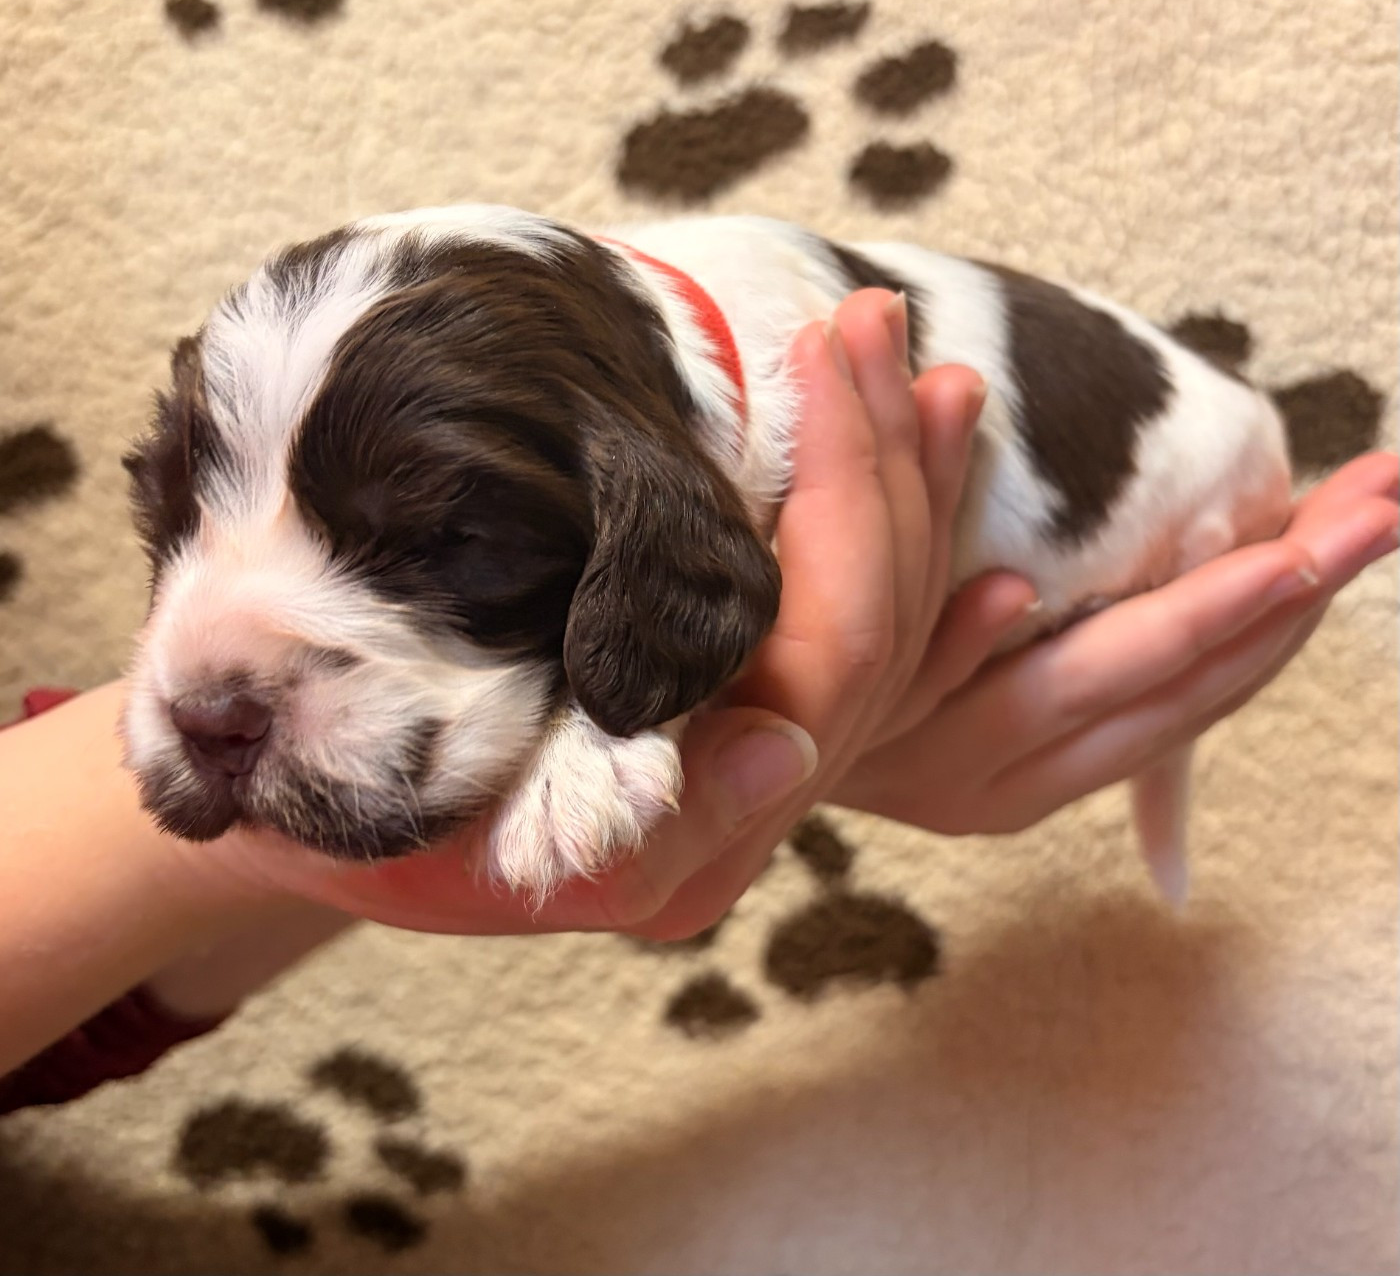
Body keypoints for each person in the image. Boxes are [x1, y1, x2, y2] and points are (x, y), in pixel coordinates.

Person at [2, 290, 1395, 1100]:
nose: (198, 675)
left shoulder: (715, 425)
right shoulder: (583, 431)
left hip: (1193, 484)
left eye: (438, 548)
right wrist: (812, 735)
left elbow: (704, 589)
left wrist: (652, 715)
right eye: (188, 511)